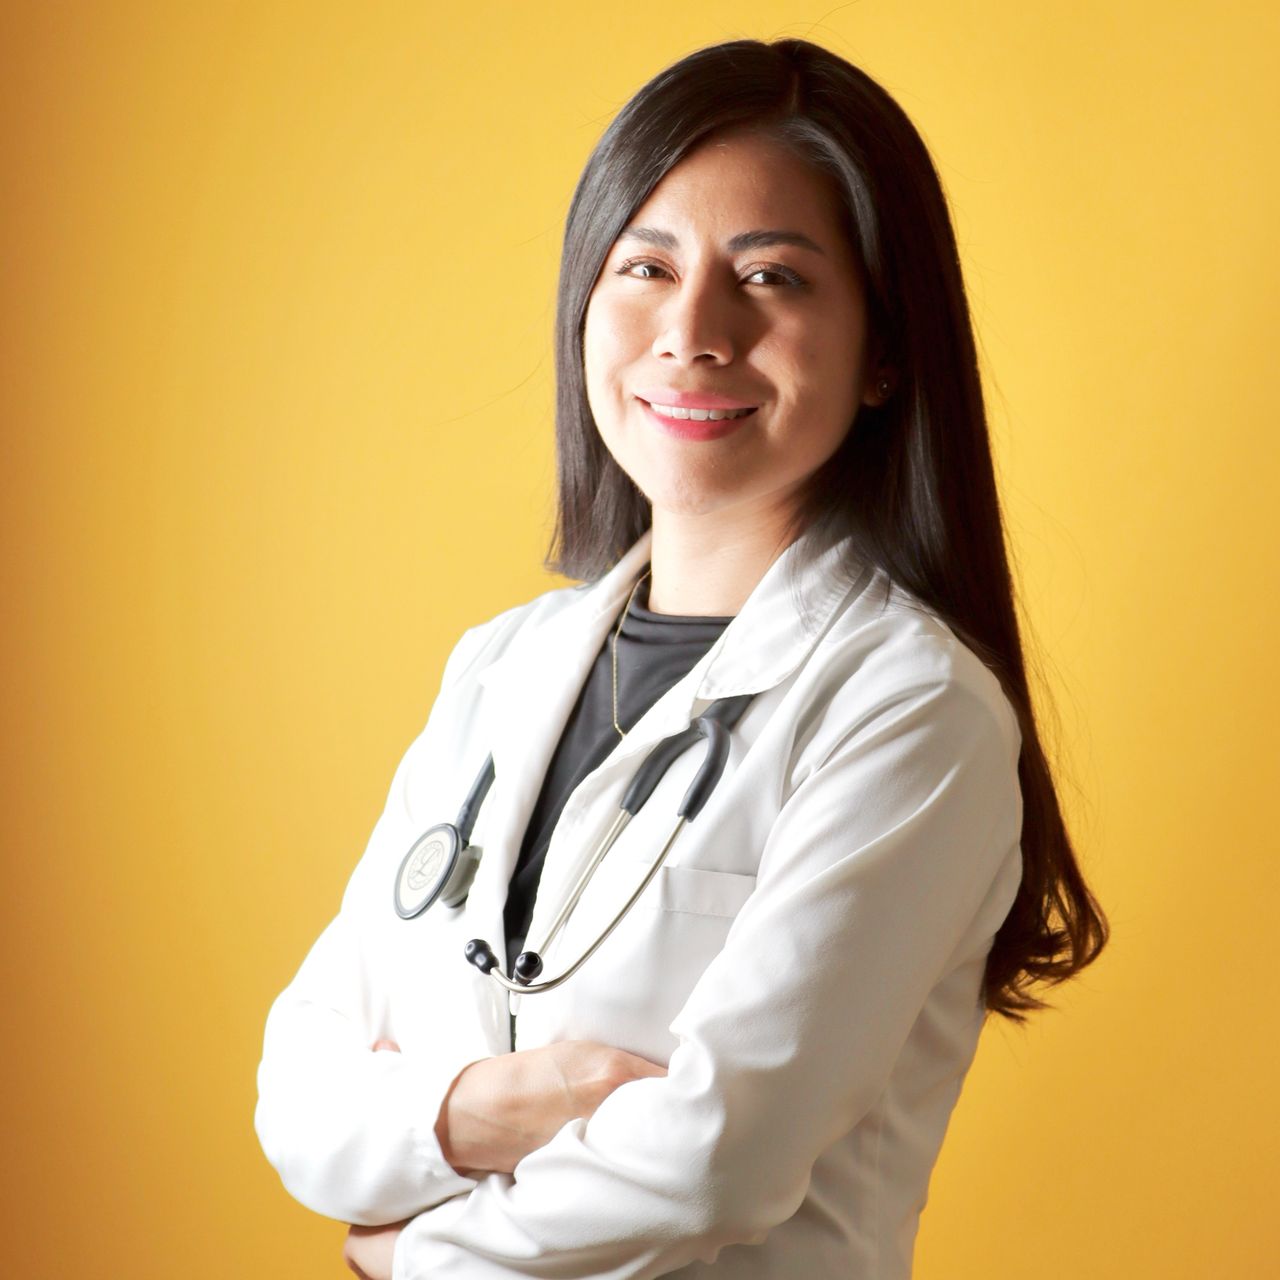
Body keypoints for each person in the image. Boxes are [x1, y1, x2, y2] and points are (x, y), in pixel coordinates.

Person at [254, 36, 1108, 1280]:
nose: (692, 330)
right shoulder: (500, 668)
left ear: (883, 349)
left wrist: (411, 1257)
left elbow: (717, 1159)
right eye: (645, 266)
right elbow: (299, 1094)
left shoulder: (911, 711)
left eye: (768, 276)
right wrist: (509, 1102)